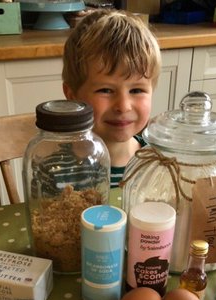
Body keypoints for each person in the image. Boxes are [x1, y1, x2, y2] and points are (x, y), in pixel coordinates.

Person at [61, 9, 161, 185]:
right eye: (105, 90)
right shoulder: (57, 169)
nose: (123, 106)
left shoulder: (159, 161)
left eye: (136, 90)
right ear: (72, 96)